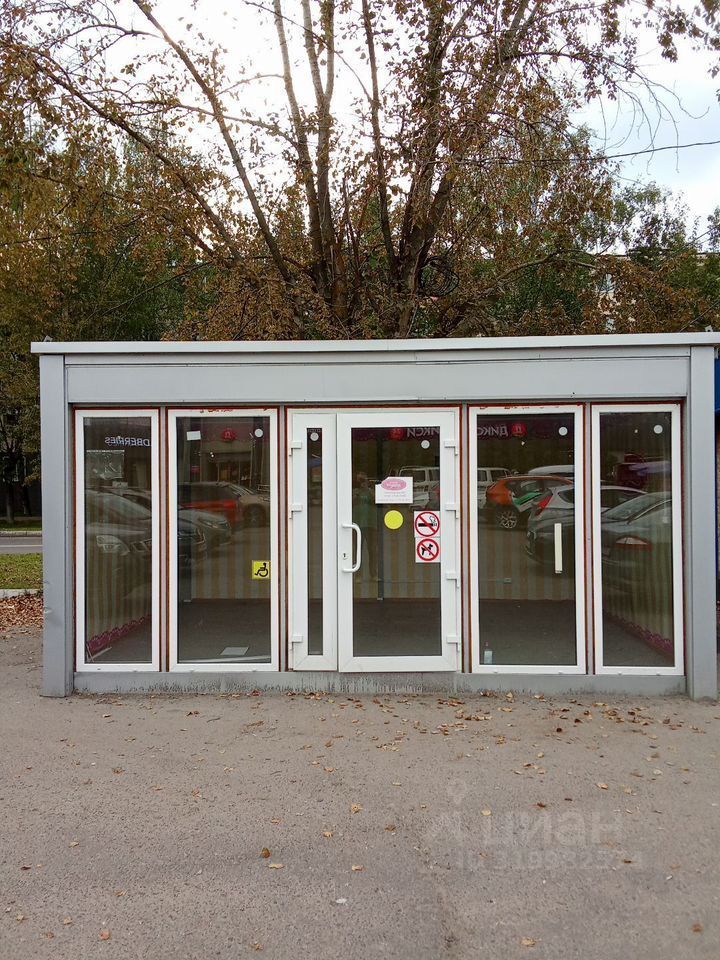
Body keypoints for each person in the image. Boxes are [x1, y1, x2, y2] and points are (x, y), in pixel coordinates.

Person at [352, 472, 378, 579]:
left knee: (373, 550)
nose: (362, 482)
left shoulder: (371, 491)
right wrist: (357, 493)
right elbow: (351, 502)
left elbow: (377, 501)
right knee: (357, 551)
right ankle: (358, 575)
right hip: (357, 525)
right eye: (360, 480)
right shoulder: (354, 491)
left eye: (364, 480)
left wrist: (368, 488)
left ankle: (373, 574)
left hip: (371, 524)